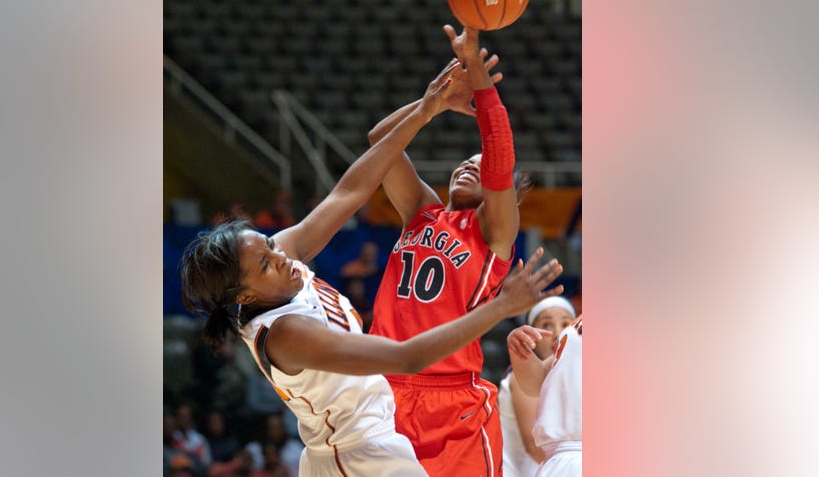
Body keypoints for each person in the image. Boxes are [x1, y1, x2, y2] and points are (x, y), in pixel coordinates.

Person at [180, 55, 565, 476]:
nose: (282, 256)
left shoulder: (488, 231)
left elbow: (352, 187)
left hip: (431, 397)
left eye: (272, 246)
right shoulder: (286, 332)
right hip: (368, 428)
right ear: (246, 293)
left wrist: (430, 104)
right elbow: (406, 357)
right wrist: (501, 307)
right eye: (267, 263)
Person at [367, 24, 542, 476]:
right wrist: (430, 105)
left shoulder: (493, 232)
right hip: (382, 386)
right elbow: (379, 142)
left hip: (451, 398)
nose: (469, 166)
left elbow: (499, 158)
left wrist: (482, 83)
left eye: (479, 169)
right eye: (465, 162)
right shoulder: (421, 210)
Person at [499, 297, 576, 476]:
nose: (558, 334)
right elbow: (534, 447)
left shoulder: (573, 375)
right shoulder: (521, 378)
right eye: (547, 325)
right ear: (531, 335)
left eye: (566, 324)